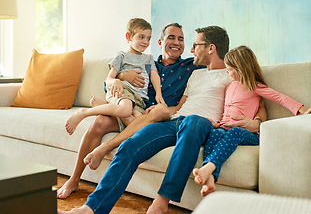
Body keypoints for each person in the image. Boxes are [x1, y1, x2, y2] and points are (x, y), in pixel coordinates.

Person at [57, 26, 267, 214]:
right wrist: (160, 111)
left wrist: (256, 122)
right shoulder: (196, 74)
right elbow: (180, 106)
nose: (191, 49)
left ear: (211, 48)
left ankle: (162, 200)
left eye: (195, 45)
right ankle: (91, 208)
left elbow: (259, 99)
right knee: (131, 145)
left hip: (201, 124)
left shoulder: (231, 74)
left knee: (193, 120)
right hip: (176, 120)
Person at [57, 22, 207, 199]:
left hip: (158, 117)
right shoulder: (146, 62)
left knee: (158, 110)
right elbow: (112, 85)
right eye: (171, 37)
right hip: (134, 109)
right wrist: (121, 76)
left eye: (181, 39)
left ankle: (106, 140)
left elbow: (217, 66)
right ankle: (74, 180)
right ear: (160, 42)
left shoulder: (191, 66)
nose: (176, 42)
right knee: (99, 122)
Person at [192, 45, 311, 197]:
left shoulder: (254, 86)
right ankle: (210, 179)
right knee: (214, 134)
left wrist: (303, 110)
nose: (227, 72)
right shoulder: (229, 87)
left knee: (234, 132)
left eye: (229, 69)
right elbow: (226, 112)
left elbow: (280, 98)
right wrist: (217, 123)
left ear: (240, 69)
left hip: (249, 134)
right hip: (224, 127)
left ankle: (208, 168)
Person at [64, 18, 165, 135]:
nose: (146, 42)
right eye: (141, 37)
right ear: (129, 36)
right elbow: (109, 79)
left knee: (140, 125)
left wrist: (158, 93)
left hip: (139, 99)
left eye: (148, 38)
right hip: (123, 90)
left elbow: (154, 75)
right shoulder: (122, 56)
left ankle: (106, 107)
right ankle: (84, 112)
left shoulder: (148, 58)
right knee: (125, 110)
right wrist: (116, 80)